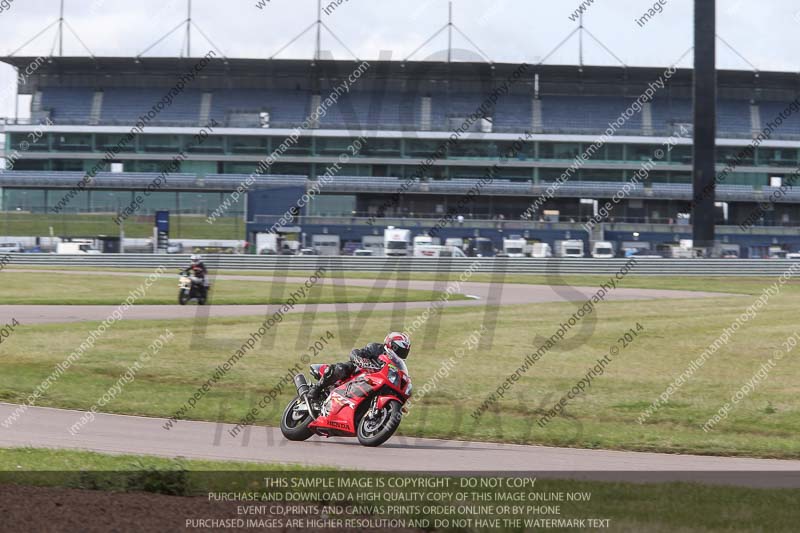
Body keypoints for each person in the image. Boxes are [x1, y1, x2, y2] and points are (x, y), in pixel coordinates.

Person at [307, 332, 411, 403]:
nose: (401, 353)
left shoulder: (396, 364)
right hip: (358, 372)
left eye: (404, 352)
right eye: (400, 350)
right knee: (341, 369)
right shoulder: (376, 348)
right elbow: (355, 353)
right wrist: (361, 361)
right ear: (391, 344)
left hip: (373, 383)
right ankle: (316, 388)